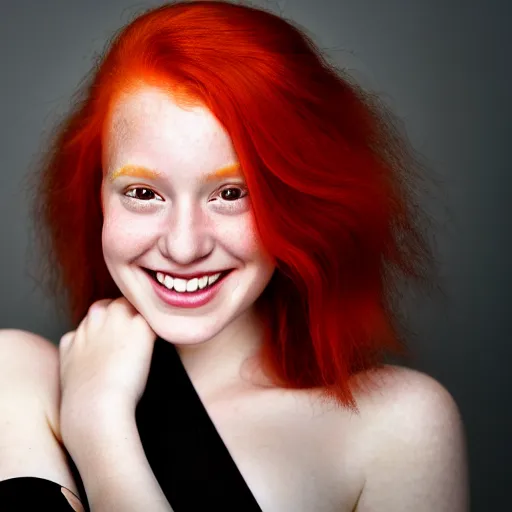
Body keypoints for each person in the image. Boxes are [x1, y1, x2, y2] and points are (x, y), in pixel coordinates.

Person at [0, 1, 469, 510]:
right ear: (95, 196)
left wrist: (98, 426)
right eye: (142, 193)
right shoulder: (16, 377)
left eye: (231, 194)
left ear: (298, 202)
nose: (184, 247)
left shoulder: (398, 424)